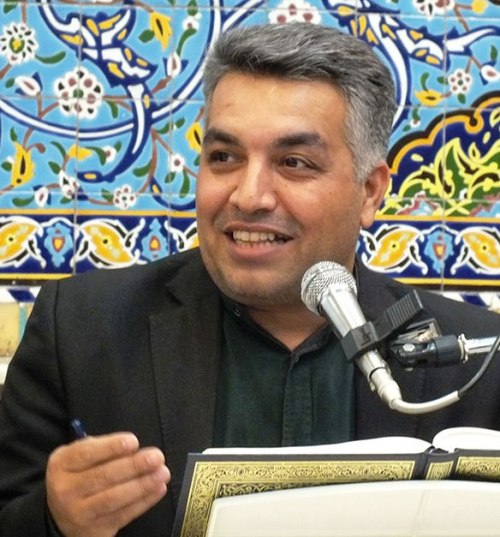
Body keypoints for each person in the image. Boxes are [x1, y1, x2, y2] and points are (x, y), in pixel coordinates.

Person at [1, 22, 499, 537]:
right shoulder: (81, 330)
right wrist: (54, 520)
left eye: (294, 162)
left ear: (370, 191)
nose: (249, 196)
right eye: (224, 158)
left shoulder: (480, 363)